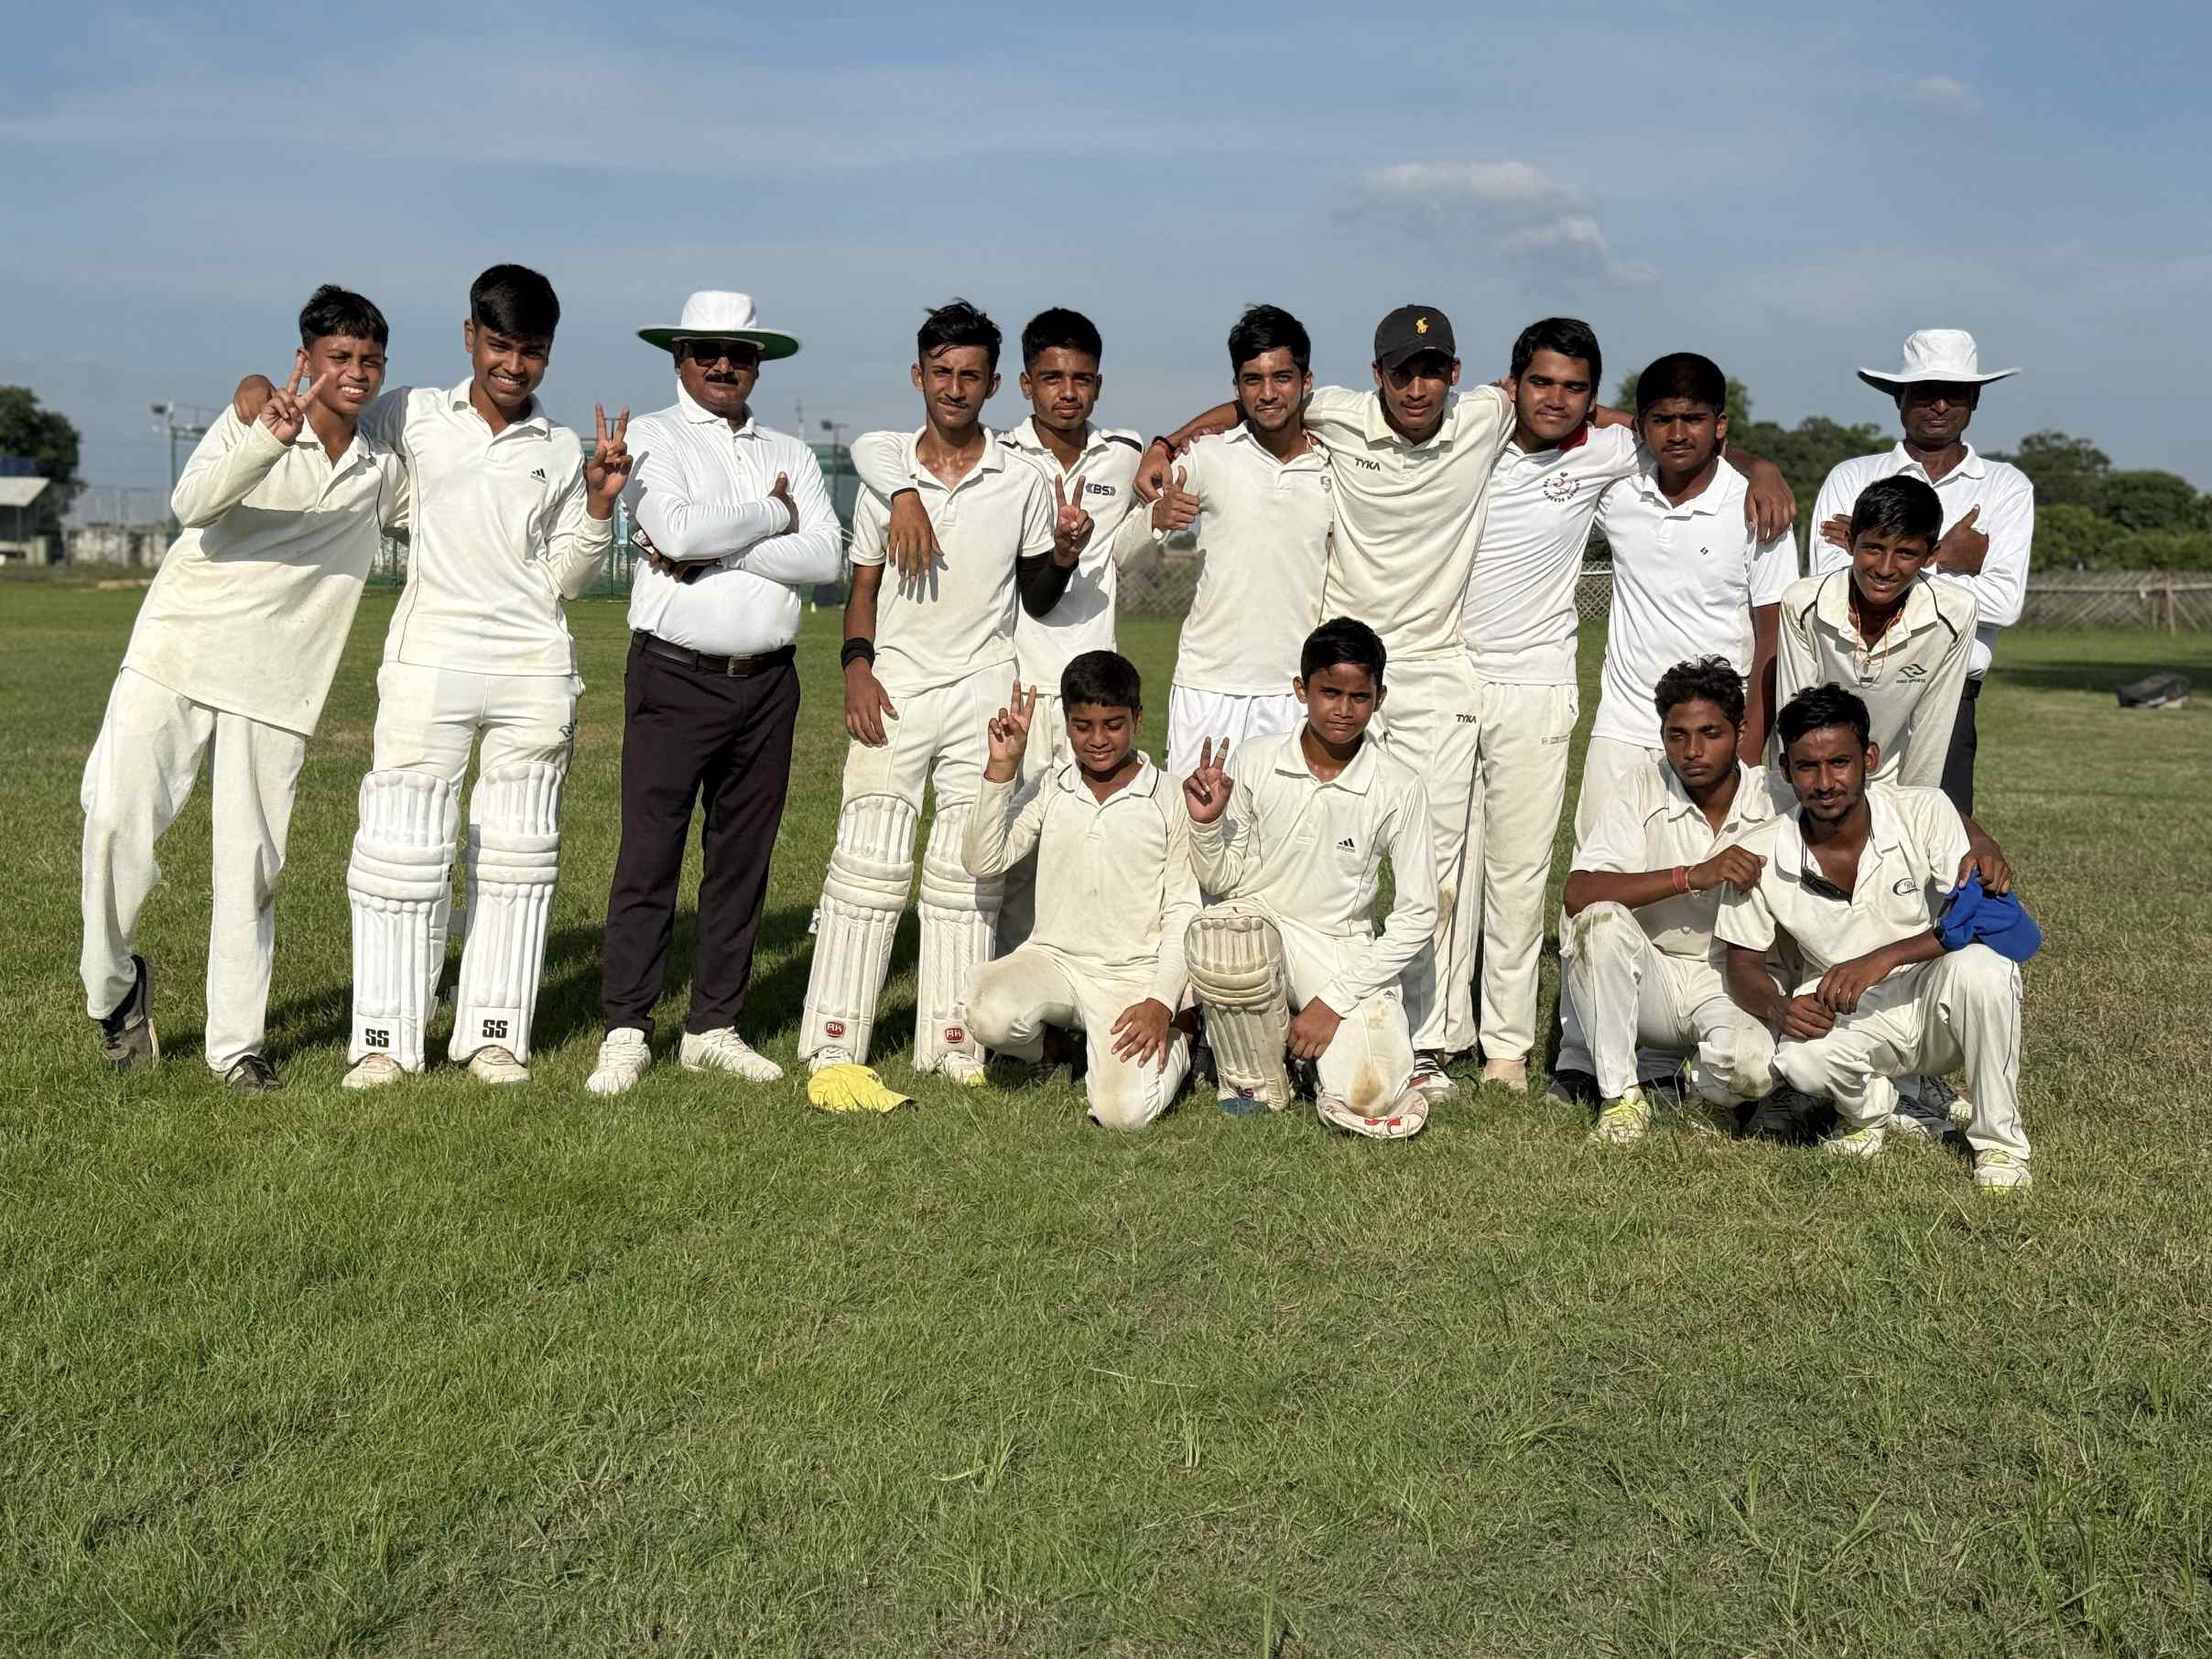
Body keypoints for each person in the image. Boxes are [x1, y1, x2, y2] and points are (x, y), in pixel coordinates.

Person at [239, 264, 633, 1089]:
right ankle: (384, 1040)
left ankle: (494, 1034)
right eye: (499, 345)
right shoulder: (412, 411)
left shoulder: (559, 446)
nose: (513, 366)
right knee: (401, 850)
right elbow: (334, 414)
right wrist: (255, 390)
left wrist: (599, 504)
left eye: (532, 351)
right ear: (469, 338)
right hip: (430, 660)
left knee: (518, 857)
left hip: (532, 667)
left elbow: (567, 577)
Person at [81, 286, 407, 1087]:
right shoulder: (254, 419)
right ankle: (116, 992)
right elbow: (192, 502)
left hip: (279, 681)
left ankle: (236, 1048)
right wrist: (264, 433)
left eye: (369, 360)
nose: (355, 373)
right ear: (306, 359)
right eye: (339, 357)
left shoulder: (382, 470)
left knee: (249, 868)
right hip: (176, 649)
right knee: (114, 825)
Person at [797, 299, 1070, 1084]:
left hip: (983, 690)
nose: (955, 388)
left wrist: (1065, 552)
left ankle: (952, 1043)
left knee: (964, 874)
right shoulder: (884, 478)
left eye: (970, 375)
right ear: (918, 375)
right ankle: (834, 1038)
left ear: (993, 385)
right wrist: (856, 668)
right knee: (868, 864)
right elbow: (861, 589)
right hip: (896, 691)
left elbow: (1036, 592)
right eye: (942, 372)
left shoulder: (1023, 479)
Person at [584, 291, 844, 1097]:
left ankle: (712, 1027)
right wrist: (773, 513)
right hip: (673, 674)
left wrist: (720, 551)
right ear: (680, 358)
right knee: (649, 857)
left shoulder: (791, 449)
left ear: (758, 363)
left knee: (742, 862)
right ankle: (627, 1027)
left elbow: (826, 558)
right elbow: (677, 534)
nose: (724, 364)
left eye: (740, 353)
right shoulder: (652, 438)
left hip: (767, 682)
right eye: (707, 351)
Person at [852, 308, 1146, 947]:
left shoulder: (1124, 454)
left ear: (1099, 384)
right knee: (1011, 850)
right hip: (1019, 684)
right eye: (1052, 378)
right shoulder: (1005, 453)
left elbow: (1147, 506)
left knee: (1098, 843)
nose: (1067, 393)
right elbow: (872, 446)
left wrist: (1167, 471)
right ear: (1022, 385)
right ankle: (1013, 979)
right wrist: (904, 494)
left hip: (1093, 686)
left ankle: (1093, 971)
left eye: (1081, 379)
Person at [1717, 685, 2033, 1189]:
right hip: (1849, 1010)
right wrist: (1778, 1009)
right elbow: (1742, 964)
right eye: (1807, 767)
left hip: (1932, 998)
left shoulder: (1923, 810)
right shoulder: (1761, 850)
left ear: (1870, 758)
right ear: (1784, 768)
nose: (1825, 783)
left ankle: (2000, 1145)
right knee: (1797, 1057)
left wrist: (1884, 957)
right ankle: (1874, 1110)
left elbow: (1997, 919)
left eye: (1840, 763)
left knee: (1986, 968)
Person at [1180, 617, 1437, 1139]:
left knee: (1372, 1094)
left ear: (1380, 698)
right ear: (1302, 690)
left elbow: (1418, 916)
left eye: (1359, 696)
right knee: (1228, 933)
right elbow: (1223, 878)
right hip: (1260, 928)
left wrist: (1333, 1003)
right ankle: (1255, 1074)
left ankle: (1301, 1056)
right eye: (1329, 693)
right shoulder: (1256, 759)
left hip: (1340, 946)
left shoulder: (1399, 785)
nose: (1343, 709)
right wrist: (1206, 826)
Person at [961, 651, 1197, 1127]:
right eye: (1082, 726)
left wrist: (1161, 1000)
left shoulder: (1171, 796)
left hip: (1131, 976)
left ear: (1137, 720)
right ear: (1066, 723)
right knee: (984, 1010)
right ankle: (1052, 1045)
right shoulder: (1051, 786)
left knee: (1121, 1113)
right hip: (1054, 961)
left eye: (1113, 725)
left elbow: (1183, 909)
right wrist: (1001, 769)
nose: (1098, 740)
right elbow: (983, 861)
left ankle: (1184, 1034)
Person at [1807, 330, 2033, 815]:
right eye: (1926, 392)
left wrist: (1878, 559)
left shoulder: (2006, 486)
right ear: (1899, 397)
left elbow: (2004, 604)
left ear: (1974, 400)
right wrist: (1945, 556)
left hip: (1949, 693)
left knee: (1938, 836)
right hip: (1849, 688)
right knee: (1837, 832)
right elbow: (1832, 595)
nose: (1940, 405)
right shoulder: (1852, 476)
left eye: (1954, 393)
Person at [1577, 352, 1797, 840]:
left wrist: (1746, 755)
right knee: (1601, 870)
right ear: (1642, 426)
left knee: (1713, 879)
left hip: (1715, 733)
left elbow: (1774, 642)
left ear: (1720, 425)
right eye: (1662, 420)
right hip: (1622, 727)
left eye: (1693, 419)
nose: (1677, 434)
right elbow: (1581, 413)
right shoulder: (1619, 492)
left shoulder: (1757, 507)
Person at [1558, 656, 1779, 1145]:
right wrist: (1690, 876)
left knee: (1754, 1068)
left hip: (1732, 980)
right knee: (1600, 922)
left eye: (1710, 734)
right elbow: (1578, 891)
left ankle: (1705, 1090)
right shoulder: (1644, 782)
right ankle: (1621, 1098)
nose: (1692, 751)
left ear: (1741, 732)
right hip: (1652, 975)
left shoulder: (1773, 796)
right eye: (1676, 735)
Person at [1149, 304, 1334, 780]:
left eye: (1282, 378)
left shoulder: (1335, 461)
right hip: (1208, 686)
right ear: (1237, 387)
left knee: (1283, 826)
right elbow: (1127, 545)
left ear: (1306, 382)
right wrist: (1155, 514)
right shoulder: (1207, 455)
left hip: (1294, 691)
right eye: (1253, 380)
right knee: (1193, 823)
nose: (1268, 393)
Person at [1773, 475, 1977, 799]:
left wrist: (1915, 809)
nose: (1884, 568)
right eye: (1873, 548)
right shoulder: (1804, 603)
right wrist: (1799, 803)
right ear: (1850, 541)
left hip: (1894, 780)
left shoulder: (1954, 613)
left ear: (1931, 555)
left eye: (1906, 553)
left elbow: (1932, 727)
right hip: (1815, 781)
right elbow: (1796, 717)